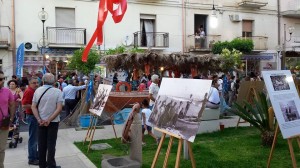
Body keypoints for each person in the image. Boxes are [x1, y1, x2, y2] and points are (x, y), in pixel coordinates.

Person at [31, 73, 63, 168]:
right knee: (51, 144)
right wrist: (49, 120)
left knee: (41, 144)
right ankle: (51, 165)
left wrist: (39, 119)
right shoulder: (58, 91)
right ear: (54, 81)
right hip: (53, 122)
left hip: (40, 122)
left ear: (43, 81)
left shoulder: (37, 91)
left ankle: (42, 165)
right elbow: (59, 108)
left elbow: (33, 106)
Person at [22, 76, 39, 165]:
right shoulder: (29, 91)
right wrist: (35, 106)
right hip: (31, 116)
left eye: (37, 82)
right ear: (29, 83)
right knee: (33, 138)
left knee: (35, 138)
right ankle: (32, 158)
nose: (36, 84)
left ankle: (35, 155)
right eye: (34, 83)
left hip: (34, 116)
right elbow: (24, 105)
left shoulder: (33, 90)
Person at [0, 71, 16, 168]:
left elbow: (12, 103)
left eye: (3, 79)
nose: (2, 81)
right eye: (0, 79)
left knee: (1, 149)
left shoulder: (7, 91)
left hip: (4, 124)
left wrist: (11, 117)